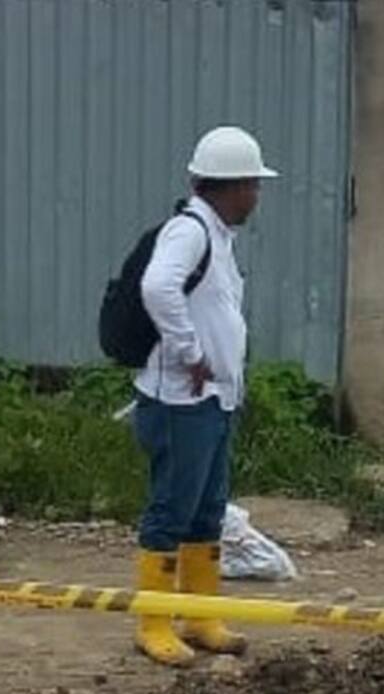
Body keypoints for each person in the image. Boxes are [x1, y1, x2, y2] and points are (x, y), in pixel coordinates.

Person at [133, 126, 278, 666]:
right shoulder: (189, 230)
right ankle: (154, 622)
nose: (256, 197)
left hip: (213, 400)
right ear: (228, 186)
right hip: (180, 400)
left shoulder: (217, 235)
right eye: (252, 186)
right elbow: (157, 287)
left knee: (207, 512)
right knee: (171, 508)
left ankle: (199, 615)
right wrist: (190, 352)